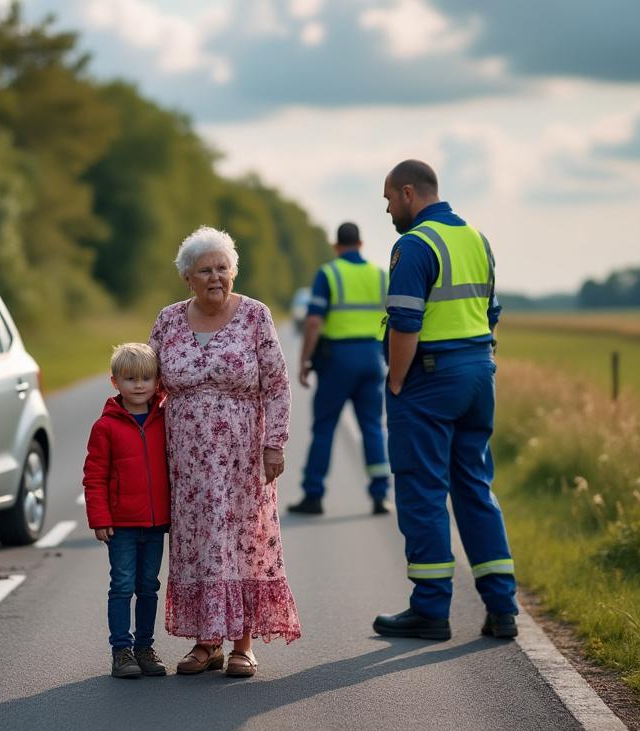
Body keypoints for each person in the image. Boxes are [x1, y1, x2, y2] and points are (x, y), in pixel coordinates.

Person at [371, 159, 519, 642]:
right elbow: (491, 311)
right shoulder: (477, 238)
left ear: (409, 193)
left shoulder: (413, 244)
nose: (389, 209)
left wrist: (396, 381)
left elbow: (406, 324)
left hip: (430, 380)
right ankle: (502, 608)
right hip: (479, 372)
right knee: (475, 486)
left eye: (390, 199)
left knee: (423, 490)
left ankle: (431, 609)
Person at [149, 225, 301, 678]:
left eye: (223, 268)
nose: (215, 276)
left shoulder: (255, 315)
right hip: (187, 460)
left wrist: (274, 445)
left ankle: (244, 644)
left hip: (242, 455)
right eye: (205, 270)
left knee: (242, 543)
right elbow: (148, 381)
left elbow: (276, 385)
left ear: (233, 272)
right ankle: (206, 642)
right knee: (197, 544)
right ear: (187, 279)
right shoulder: (169, 320)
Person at [288, 221, 392, 517]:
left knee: (324, 428)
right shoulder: (380, 276)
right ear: (361, 244)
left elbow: (313, 321)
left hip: (337, 361)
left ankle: (314, 494)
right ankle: (380, 494)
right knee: (373, 427)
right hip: (373, 358)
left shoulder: (329, 273)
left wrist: (305, 360)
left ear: (337, 246)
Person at [83, 343, 172, 679]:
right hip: (120, 525)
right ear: (114, 382)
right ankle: (121, 650)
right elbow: (94, 476)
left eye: (147, 378)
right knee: (122, 585)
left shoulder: (165, 421)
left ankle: (144, 647)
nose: (139, 385)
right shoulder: (105, 428)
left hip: (155, 524)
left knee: (148, 585)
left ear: (157, 381)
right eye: (130, 378)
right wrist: (100, 518)